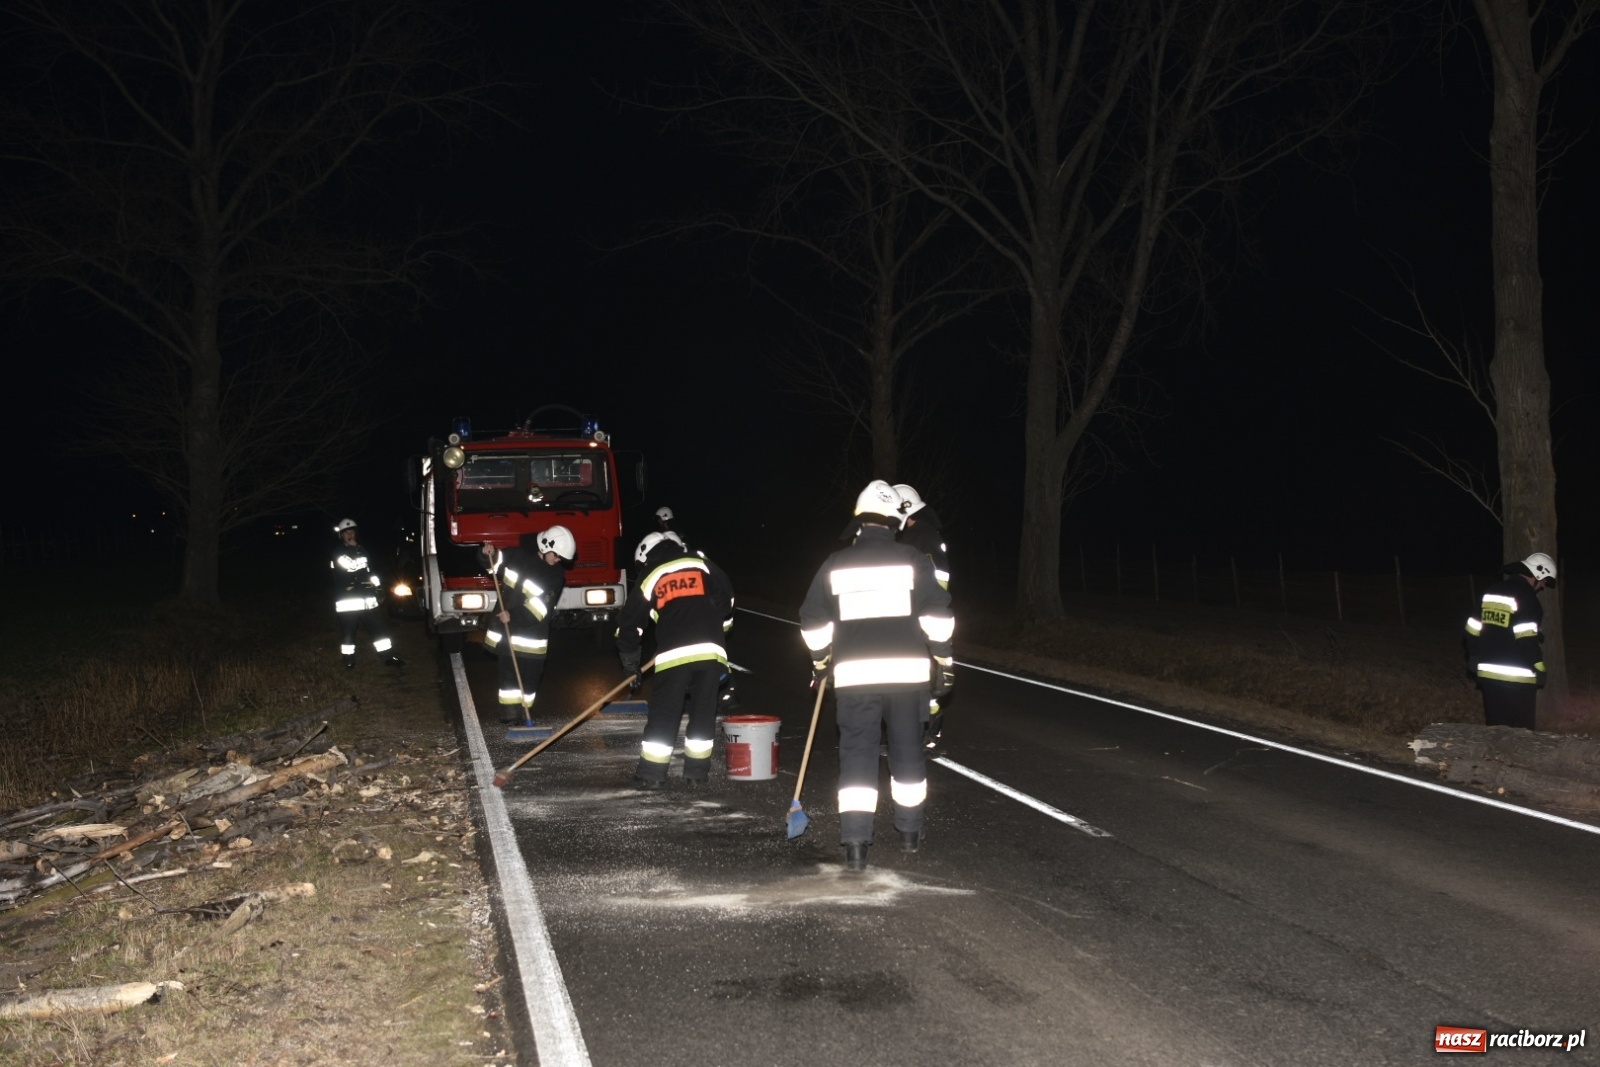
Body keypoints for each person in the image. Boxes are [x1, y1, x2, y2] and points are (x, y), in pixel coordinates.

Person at [799, 480, 954, 872]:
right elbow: (938, 615)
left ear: (858, 521)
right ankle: (909, 834)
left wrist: (820, 662)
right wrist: (943, 660)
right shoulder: (914, 560)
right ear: (895, 522)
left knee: (857, 756)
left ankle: (855, 844)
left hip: (855, 679)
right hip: (907, 677)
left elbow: (812, 619)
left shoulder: (834, 564)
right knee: (907, 752)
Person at [617, 531, 736, 788]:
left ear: (646, 557)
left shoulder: (652, 574)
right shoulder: (700, 562)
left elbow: (629, 624)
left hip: (673, 655)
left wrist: (630, 665)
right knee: (704, 712)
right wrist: (720, 628)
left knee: (665, 713)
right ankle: (697, 775)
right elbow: (727, 596)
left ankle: (651, 776)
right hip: (711, 652)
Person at [483, 526, 574, 724]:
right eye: (557, 555)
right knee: (508, 679)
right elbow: (494, 563)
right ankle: (509, 715)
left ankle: (525, 713)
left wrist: (513, 616)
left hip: (532, 639)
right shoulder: (517, 556)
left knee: (530, 680)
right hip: (509, 634)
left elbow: (540, 608)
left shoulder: (555, 576)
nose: (558, 560)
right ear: (545, 546)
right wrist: (488, 553)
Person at [1464, 552, 1556, 731]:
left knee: (1495, 732)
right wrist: (1539, 667)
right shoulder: (1529, 600)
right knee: (1520, 736)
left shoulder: (1491, 591)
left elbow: (1472, 629)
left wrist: (1474, 655)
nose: (1543, 587)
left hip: (1488, 675)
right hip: (1518, 680)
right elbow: (1526, 640)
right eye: (1544, 581)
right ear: (1537, 574)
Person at [893, 483, 952, 751]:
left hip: (922, 618)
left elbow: (934, 581)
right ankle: (920, 733)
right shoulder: (916, 536)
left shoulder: (922, 537)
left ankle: (926, 732)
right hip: (916, 616)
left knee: (922, 678)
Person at [330, 518, 402, 669]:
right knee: (348, 633)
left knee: (379, 630)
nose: (350, 534)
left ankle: (388, 658)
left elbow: (370, 573)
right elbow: (352, 569)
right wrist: (352, 549)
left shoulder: (363, 551)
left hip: (368, 600)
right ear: (341, 535)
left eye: (352, 531)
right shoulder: (338, 553)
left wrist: (379, 589)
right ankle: (349, 661)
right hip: (347, 602)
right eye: (346, 532)